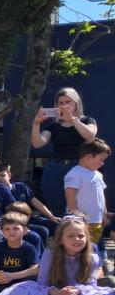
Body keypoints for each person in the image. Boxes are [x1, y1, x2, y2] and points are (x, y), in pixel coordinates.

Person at [0, 216, 115, 295]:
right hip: (50, 292)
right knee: (20, 291)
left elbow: (90, 285)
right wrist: (57, 293)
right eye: (70, 236)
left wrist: (76, 290)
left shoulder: (92, 257)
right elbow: (42, 283)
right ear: (61, 240)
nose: (77, 240)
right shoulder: (50, 254)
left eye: (81, 236)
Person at [31, 87, 98, 216]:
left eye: (68, 102)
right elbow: (38, 143)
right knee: (57, 206)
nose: (64, 105)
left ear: (76, 103)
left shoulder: (87, 120)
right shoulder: (54, 126)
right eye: (61, 103)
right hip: (55, 168)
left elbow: (90, 136)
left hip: (78, 167)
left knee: (79, 206)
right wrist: (36, 124)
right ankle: (60, 233)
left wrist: (73, 119)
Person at [63, 138, 110, 244]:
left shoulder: (98, 174)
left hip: (97, 221)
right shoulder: (75, 173)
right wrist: (77, 217)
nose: (102, 163)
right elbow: (70, 196)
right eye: (101, 159)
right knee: (80, 249)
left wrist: (105, 214)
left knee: (92, 249)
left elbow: (101, 195)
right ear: (89, 157)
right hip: (81, 222)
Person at [0, 213, 40, 293]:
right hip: (3, 280)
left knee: (33, 278)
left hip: (21, 281)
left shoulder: (29, 248)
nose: (11, 232)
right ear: (2, 232)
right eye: (7, 229)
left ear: (24, 230)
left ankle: (11, 292)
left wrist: (13, 276)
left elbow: (35, 269)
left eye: (16, 228)